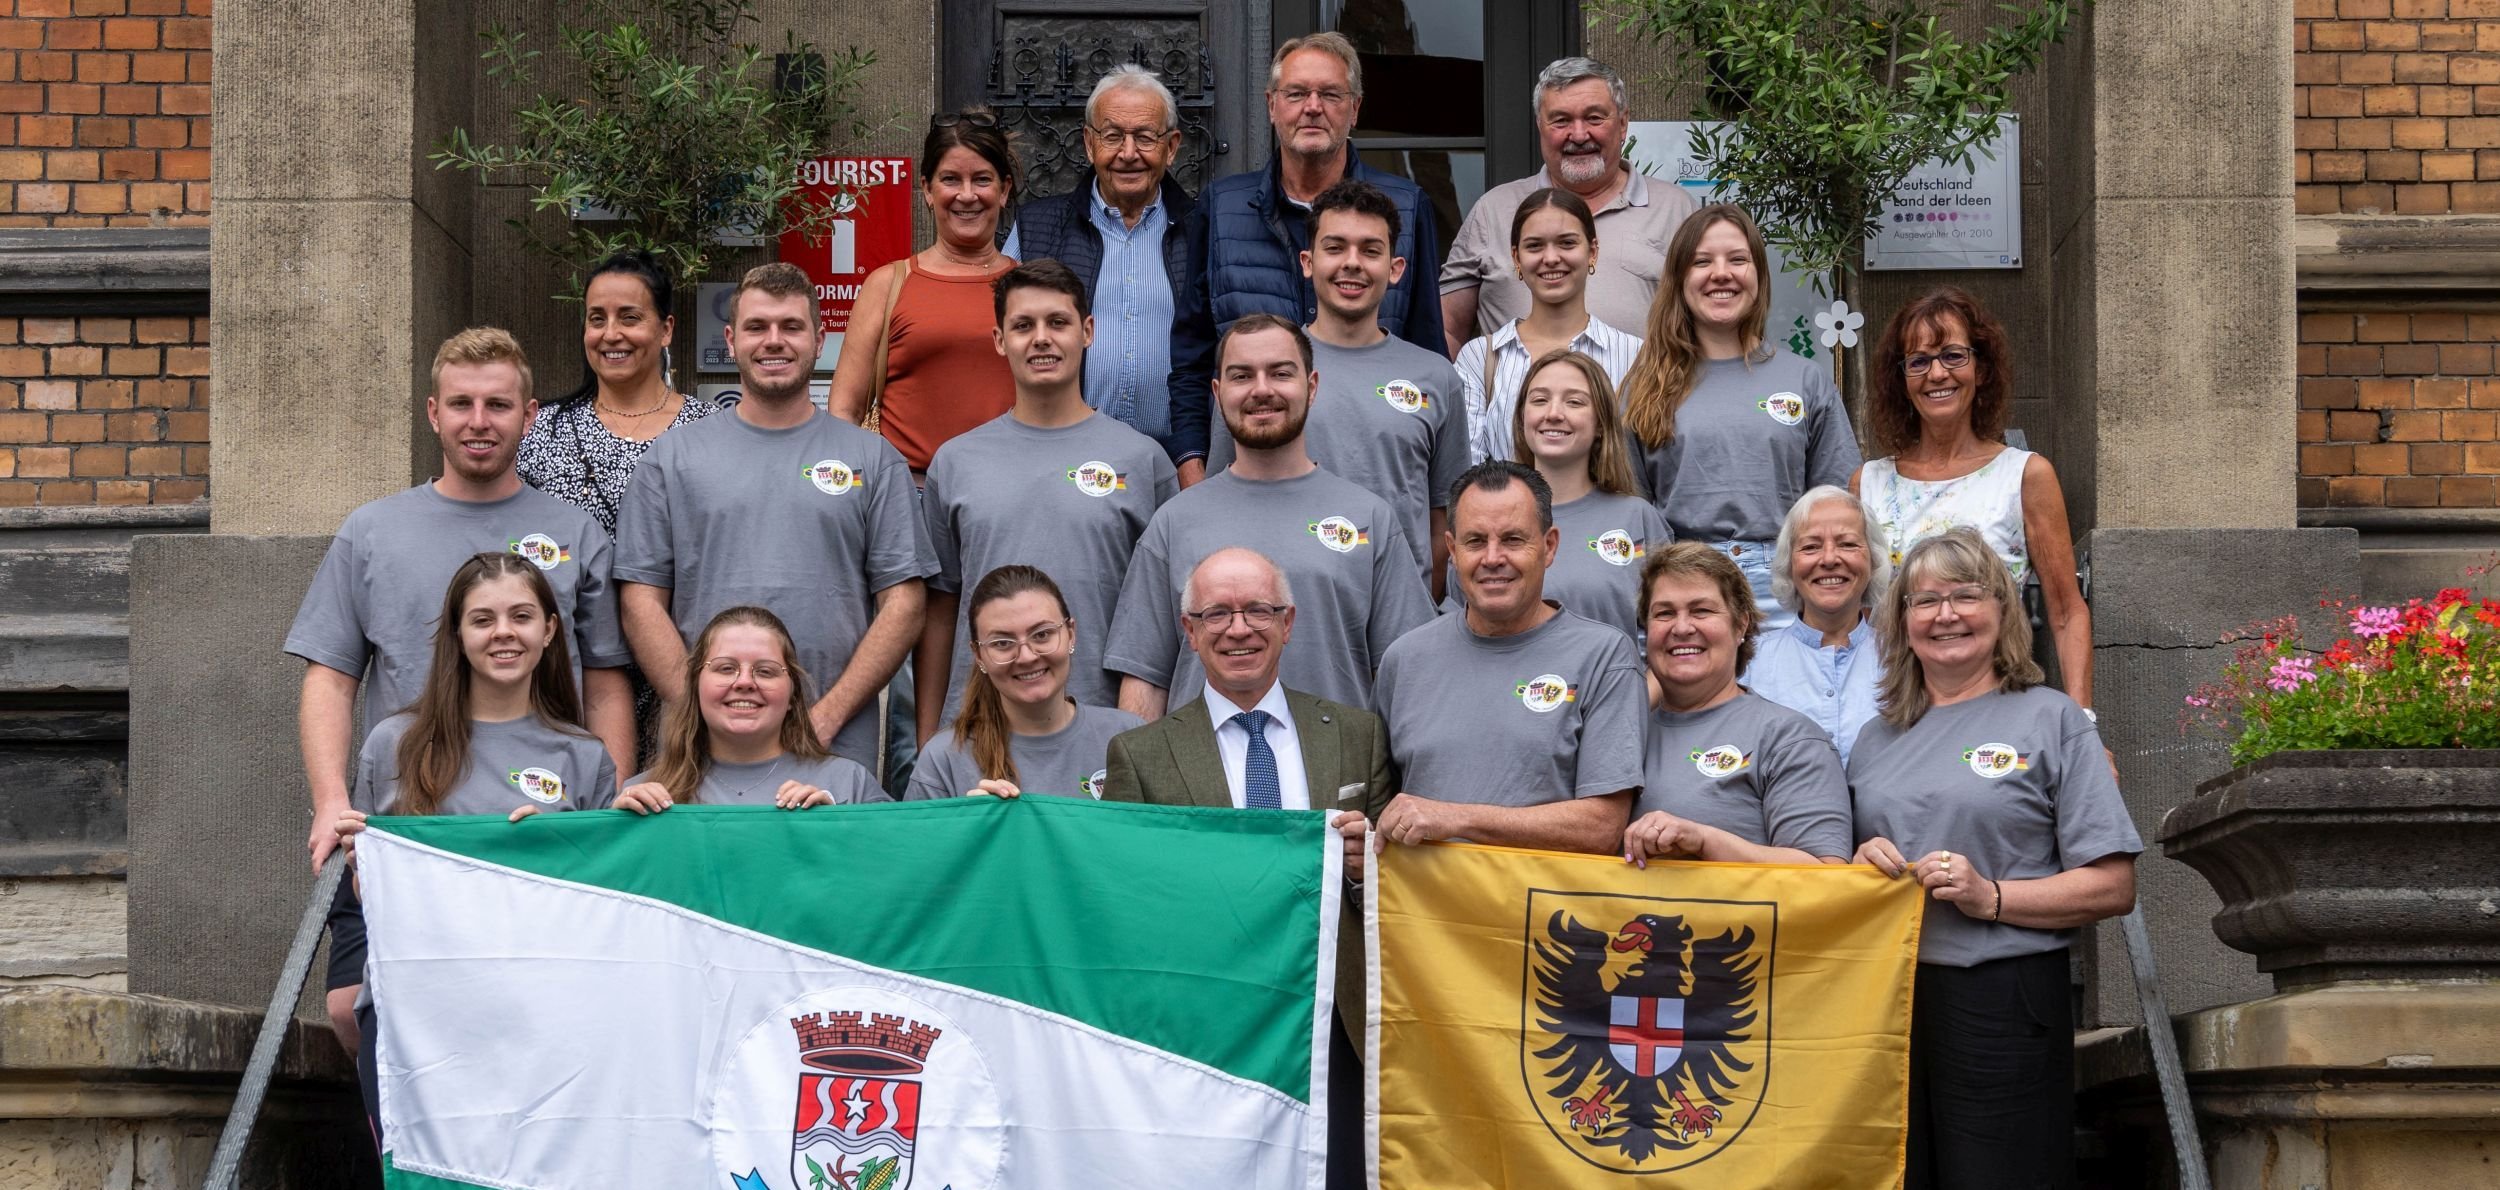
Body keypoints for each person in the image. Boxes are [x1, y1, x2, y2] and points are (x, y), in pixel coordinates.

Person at [1848, 527, 2141, 1190]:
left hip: (2003, 996)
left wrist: (1993, 897)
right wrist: (1858, 861)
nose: (1946, 614)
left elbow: (2113, 885)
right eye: (1925, 601)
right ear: (1902, 623)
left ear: (2003, 610)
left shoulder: (2052, 718)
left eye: (1965, 595)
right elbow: (1838, 871)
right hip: (1886, 1003)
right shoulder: (1873, 739)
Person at [1098, 545, 1386, 1190]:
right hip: (1207, 1028)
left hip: (1332, 1024)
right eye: (1217, 614)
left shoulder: (1356, 735)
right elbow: (1128, 905)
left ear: (1288, 622)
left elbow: (1397, 894)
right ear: (1189, 630)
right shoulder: (1141, 755)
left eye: (1258, 610)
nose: (1239, 629)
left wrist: (1363, 870)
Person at [289, 326, 634, 865]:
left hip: (544, 830)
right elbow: (331, 677)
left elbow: (605, 685)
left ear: (529, 415)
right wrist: (331, 799)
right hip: (410, 817)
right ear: (433, 413)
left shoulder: (577, 532)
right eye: (460, 404)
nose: (478, 421)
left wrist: (606, 817)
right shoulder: (372, 531)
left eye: (498, 404)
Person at [326, 552, 622, 1132]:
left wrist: (556, 852)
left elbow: (602, 907)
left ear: (550, 630)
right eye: (483, 619)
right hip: (417, 1018)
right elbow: (369, 899)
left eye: (521, 616)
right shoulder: (394, 744)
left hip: (544, 1019)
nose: (503, 632)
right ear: (457, 635)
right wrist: (365, 868)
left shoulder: (585, 757)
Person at [616, 262, 934, 770]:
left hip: (832, 746)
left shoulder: (873, 460)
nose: (774, 341)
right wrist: (700, 713)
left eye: (791, 327)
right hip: (700, 752)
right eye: (757, 327)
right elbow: (640, 602)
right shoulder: (671, 459)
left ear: (819, 340)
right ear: (731, 339)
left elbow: (905, 604)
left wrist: (827, 715)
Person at [1105, 315, 1434, 717]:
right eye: (1242, 376)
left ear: (1312, 387)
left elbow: (1406, 678)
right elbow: (1145, 678)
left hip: (1336, 757)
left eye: (1280, 373)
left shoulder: (1370, 519)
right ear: (1218, 392)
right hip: (1197, 758)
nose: (1262, 390)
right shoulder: (1173, 523)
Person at [1166, 32, 1446, 484]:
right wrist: (1193, 465)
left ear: (1355, 109)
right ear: (1272, 105)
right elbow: (1192, 356)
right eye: (1296, 94)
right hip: (1246, 476)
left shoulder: (1406, 208)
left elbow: (1426, 346)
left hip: (1369, 472)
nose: (1313, 107)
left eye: (1330, 95)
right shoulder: (1222, 207)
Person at [915, 260, 1176, 735]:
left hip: (1104, 728)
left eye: (1057, 322)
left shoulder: (1144, 462)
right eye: (1023, 326)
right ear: (999, 340)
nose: (1041, 338)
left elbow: (1160, 620)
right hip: (981, 729)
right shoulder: (955, 462)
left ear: (1087, 331)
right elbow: (939, 612)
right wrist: (930, 735)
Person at [1206, 180, 1466, 594]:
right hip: (1274, 607)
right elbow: (1221, 497)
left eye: (1370, 250)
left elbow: (1444, 522)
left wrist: (1418, 606)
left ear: (1396, 269)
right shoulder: (1260, 375)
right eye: (1335, 247)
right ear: (1308, 262)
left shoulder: (1437, 377)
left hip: (1399, 611)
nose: (1352, 263)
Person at [1372, 461, 1644, 856]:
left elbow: (1602, 827)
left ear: (1549, 546)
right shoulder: (1404, 660)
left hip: (1546, 898)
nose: (1493, 558)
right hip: (1424, 898)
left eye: (1513, 540)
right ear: (1451, 550)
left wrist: (1458, 819)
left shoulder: (1603, 657)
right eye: (1475, 541)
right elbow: (1379, 813)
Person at [1622, 203, 1860, 630]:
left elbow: (1837, 504)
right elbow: (1629, 511)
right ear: (1679, 279)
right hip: (1681, 586)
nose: (1721, 273)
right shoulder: (1644, 386)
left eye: (1737, 259)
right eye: (1702, 262)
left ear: (1759, 276)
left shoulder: (1805, 379)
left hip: (1786, 591)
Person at [1858, 286, 2094, 708]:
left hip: (1996, 707)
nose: (1937, 374)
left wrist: (2082, 723)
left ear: (1981, 368)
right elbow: (1859, 621)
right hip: (1894, 711)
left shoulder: (2024, 475)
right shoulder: (1868, 483)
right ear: (1901, 379)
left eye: (1953, 355)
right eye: (1918, 361)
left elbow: (2065, 612)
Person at [1001, 66, 1196, 462]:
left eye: (1145, 137)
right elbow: (1005, 346)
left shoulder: (1202, 229)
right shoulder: (1037, 229)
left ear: (1172, 147)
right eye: (1112, 136)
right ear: (1089, 144)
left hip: (1176, 462)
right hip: (1062, 456)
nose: (1128, 153)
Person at [1622, 542, 1852, 866]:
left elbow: (1827, 876)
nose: (1682, 627)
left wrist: (1705, 842)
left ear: (1741, 625)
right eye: (1664, 613)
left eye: (1701, 610)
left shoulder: (1788, 739)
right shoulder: (1617, 734)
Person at [1440, 57, 1694, 349]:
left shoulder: (1675, 209)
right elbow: (1447, 328)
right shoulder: (1493, 211)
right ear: (1540, 126)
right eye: (1561, 121)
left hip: (1641, 382)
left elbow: (1704, 324)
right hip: (1518, 381)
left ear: (1623, 123)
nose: (1579, 135)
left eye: (1594, 118)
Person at [826, 109, 1019, 474]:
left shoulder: (1028, 288)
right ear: (928, 190)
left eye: (981, 179)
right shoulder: (888, 284)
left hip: (1008, 489)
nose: (967, 195)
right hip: (907, 491)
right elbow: (844, 412)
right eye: (950, 179)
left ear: (1003, 190)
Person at [1451, 349, 1666, 639]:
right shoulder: (1481, 519)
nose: (1553, 414)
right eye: (1539, 400)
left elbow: (1665, 628)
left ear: (1601, 423)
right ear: (1522, 417)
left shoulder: (1638, 518)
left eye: (1574, 402)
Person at [516, 249, 717, 533]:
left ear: (666, 330)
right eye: (597, 319)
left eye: (629, 318)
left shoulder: (710, 428)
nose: (610, 334)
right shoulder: (542, 430)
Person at [612, 605, 884, 811]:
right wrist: (618, 830)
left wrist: (841, 828)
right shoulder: (642, 794)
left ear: (793, 695)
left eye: (765, 671)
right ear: (695, 687)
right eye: (725, 668)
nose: (744, 682)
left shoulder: (850, 785)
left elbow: (893, 861)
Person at [911, 565, 1145, 800]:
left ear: (1071, 634)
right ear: (979, 655)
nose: (1026, 657)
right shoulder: (943, 760)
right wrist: (969, 821)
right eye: (1002, 643)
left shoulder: (1127, 736)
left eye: (1042, 634)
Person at [1455, 187, 1644, 464]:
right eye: (1535, 246)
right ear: (1516, 258)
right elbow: (1468, 468)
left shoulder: (1635, 355)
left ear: (1592, 252)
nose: (1551, 258)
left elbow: (1644, 462)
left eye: (1567, 243)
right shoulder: (1481, 358)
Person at [1747, 485, 1890, 763]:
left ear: (1873, 560)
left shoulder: (1904, 659)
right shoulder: (1750, 662)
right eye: (1811, 546)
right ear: (1789, 564)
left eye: (1847, 544)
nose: (1829, 559)